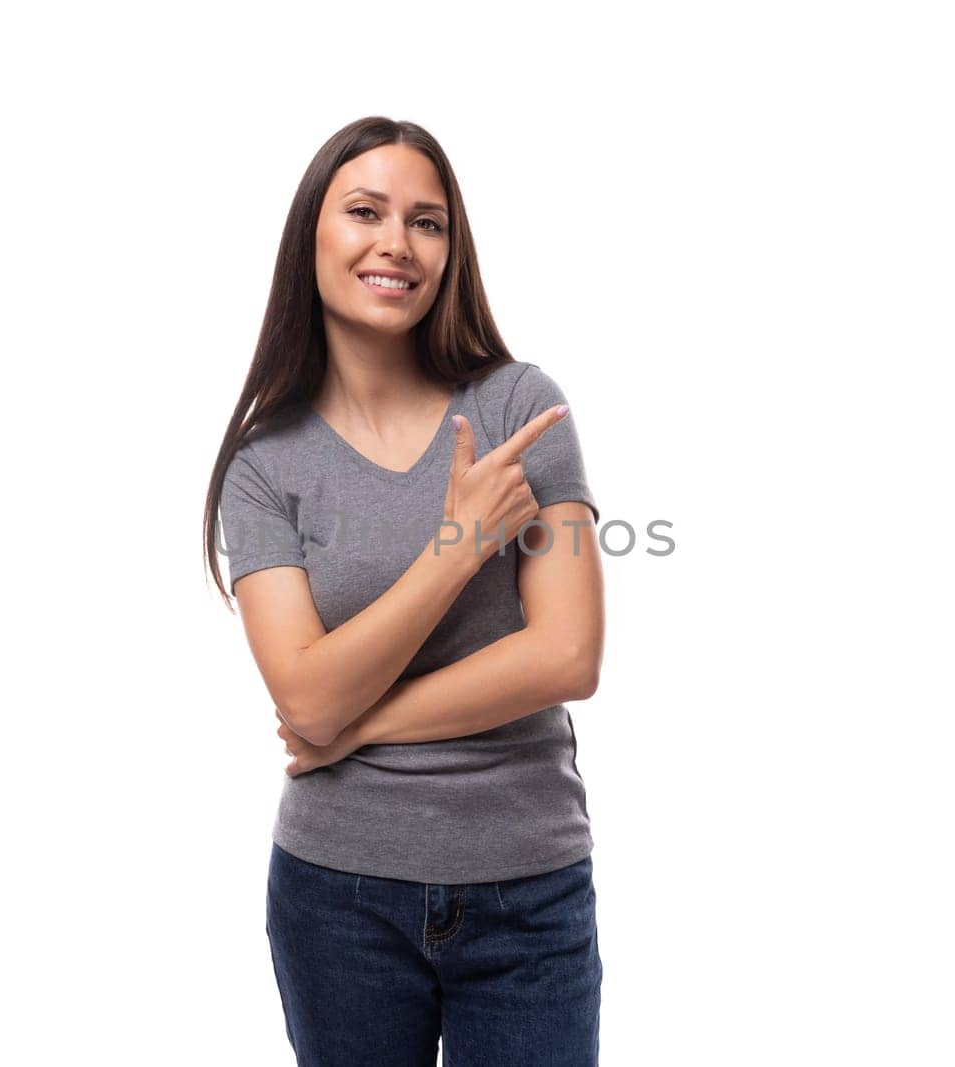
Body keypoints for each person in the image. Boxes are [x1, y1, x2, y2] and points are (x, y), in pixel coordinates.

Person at [202, 116, 605, 1066]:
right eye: (365, 211)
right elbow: (303, 694)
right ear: (313, 236)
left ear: (451, 251)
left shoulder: (517, 407)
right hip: (334, 894)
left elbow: (567, 655)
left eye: (428, 221)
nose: (397, 242)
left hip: (529, 888)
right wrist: (459, 544)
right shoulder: (263, 467)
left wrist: (354, 726)